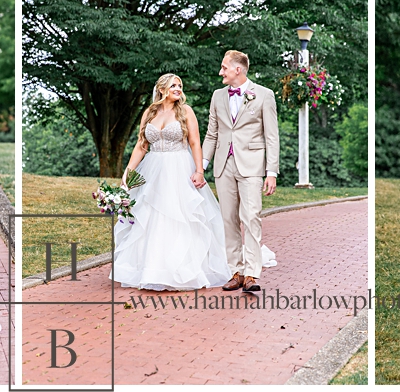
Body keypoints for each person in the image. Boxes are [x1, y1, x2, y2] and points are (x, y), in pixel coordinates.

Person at [112, 73, 275, 291]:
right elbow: (142, 145)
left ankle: (186, 270)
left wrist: (200, 170)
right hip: (153, 171)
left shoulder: (185, 112)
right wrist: (128, 174)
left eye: (180, 85)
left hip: (179, 168)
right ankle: (152, 269)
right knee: (152, 218)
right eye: (173, 85)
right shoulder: (149, 113)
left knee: (181, 217)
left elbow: (195, 142)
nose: (178, 89)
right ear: (161, 89)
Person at [202, 50, 281, 293]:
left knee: (251, 217)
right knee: (228, 220)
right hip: (223, 166)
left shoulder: (264, 95)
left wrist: (271, 171)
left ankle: (251, 275)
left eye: (224, 67)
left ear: (238, 69)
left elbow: (272, 136)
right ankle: (235, 272)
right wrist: (201, 166)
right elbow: (212, 134)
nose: (220, 72)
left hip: (252, 166)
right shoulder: (217, 96)